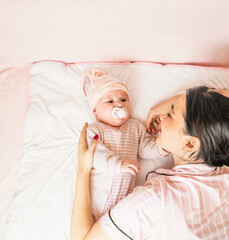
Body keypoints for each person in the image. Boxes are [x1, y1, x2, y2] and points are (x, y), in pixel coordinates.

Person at [71, 86, 229, 240]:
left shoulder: (151, 201)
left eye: (170, 115)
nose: (161, 116)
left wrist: (83, 169)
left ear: (189, 144)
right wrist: (161, 107)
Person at [80, 69, 172, 220]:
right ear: (95, 110)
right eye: (110, 101)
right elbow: (96, 156)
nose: (118, 104)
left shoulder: (135, 127)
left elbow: (145, 148)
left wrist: (161, 148)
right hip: (96, 203)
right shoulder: (95, 130)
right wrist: (119, 165)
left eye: (123, 100)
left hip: (123, 204)